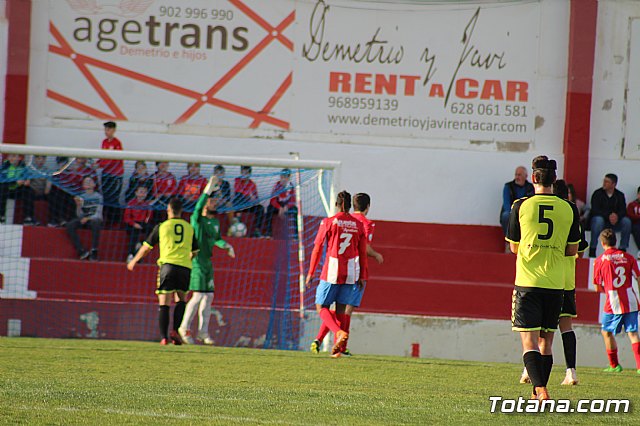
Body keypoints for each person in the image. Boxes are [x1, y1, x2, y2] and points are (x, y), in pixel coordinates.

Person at [506, 156, 581, 401]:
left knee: (528, 342)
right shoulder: (569, 208)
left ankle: (541, 391)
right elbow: (573, 250)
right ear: (554, 179)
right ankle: (537, 392)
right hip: (555, 284)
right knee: (545, 342)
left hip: (528, 282)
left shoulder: (520, 205)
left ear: (534, 178)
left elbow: (514, 248)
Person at [519, 180, 588, 386]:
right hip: (566, 279)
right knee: (564, 328)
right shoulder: (570, 216)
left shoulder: (535, 209)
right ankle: (571, 371)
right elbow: (579, 250)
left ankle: (531, 374)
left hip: (544, 278)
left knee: (535, 330)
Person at [310, 192, 383, 356]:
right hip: (353, 271)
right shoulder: (364, 224)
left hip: (334, 268)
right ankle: (339, 346)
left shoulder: (335, 221)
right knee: (344, 310)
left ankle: (328, 340)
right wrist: (374, 259)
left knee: (326, 307)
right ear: (367, 207)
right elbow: (363, 249)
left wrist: (311, 272)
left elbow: (318, 247)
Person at [127, 197, 198, 345]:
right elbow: (195, 251)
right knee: (181, 300)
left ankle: (164, 337)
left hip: (167, 266)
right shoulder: (189, 227)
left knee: (164, 302)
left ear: (168, 211)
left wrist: (134, 261)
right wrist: (187, 258)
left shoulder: (162, 226)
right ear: (181, 211)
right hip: (184, 267)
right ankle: (175, 331)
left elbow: (147, 247)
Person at [178, 176, 235, 345]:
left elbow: (216, 238)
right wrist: (207, 190)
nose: (214, 202)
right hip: (196, 261)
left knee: (208, 297)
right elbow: (196, 209)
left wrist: (226, 246)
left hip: (207, 262)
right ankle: (183, 327)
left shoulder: (215, 222)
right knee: (198, 296)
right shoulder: (198, 220)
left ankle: (203, 332)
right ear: (205, 204)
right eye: (211, 200)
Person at [593, 229, 640, 374]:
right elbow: (638, 278)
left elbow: (597, 286)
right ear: (616, 242)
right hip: (631, 299)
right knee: (633, 333)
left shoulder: (600, 260)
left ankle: (614, 365)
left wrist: (606, 290)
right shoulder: (628, 257)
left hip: (613, 301)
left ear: (602, 243)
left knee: (606, 332)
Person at [589, 173, 631, 258]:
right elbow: (594, 209)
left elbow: (623, 210)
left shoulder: (619, 195)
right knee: (598, 220)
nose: (604, 183)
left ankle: (622, 249)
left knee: (626, 222)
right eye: (604, 181)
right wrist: (608, 215)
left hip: (615, 223)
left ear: (613, 184)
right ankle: (592, 249)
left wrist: (617, 216)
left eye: (607, 182)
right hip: (601, 223)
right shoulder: (597, 193)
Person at [66, 177, 103, 261]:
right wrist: (78, 206)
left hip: (94, 219)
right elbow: (79, 215)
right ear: (83, 185)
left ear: (94, 184)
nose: (88, 183)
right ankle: (81, 250)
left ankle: (94, 250)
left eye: (90, 181)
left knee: (96, 222)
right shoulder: (81, 197)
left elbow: (98, 213)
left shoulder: (98, 197)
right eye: (86, 182)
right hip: (84, 219)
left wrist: (88, 218)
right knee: (70, 225)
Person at [96, 121, 124, 226]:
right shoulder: (104, 142)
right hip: (106, 174)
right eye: (105, 129)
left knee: (114, 198)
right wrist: (97, 163)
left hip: (115, 175)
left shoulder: (117, 143)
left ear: (113, 130)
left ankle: (115, 222)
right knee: (106, 197)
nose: (106, 132)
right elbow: (103, 157)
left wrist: (100, 165)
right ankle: (106, 220)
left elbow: (114, 159)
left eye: (108, 129)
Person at [0, 154, 35, 224]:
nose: (12, 158)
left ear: (19, 158)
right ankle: (1, 216)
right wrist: (15, 181)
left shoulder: (23, 166)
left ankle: (28, 217)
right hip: (7, 189)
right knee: (2, 188)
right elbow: (2, 179)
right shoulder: (4, 166)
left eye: (14, 156)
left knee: (29, 190)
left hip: (18, 190)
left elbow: (28, 175)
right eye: (10, 156)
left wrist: (27, 180)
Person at [500, 166, 534, 237]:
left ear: (526, 176)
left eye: (519, 175)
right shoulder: (508, 186)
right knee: (506, 215)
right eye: (516, 174)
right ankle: (508, 240)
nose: (517, 177)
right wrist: (514, 215)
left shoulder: (531, 188)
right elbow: (506, 204)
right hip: (511, 212)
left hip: (525, 213)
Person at [264, 168, 298, 239]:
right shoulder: (277, 186)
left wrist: (286, 207)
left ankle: (296, 235)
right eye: (282, 177)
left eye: (285, 177)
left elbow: (293, 200)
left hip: (286, 207)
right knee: (269, 208)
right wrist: (279, 208)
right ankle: (268, 233)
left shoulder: (291, 186)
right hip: (277, 206)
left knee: (295, 210)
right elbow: (272, 200)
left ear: (289, 178)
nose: (283, 179)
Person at [233, 165, 264, 237]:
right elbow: (238, 191)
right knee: (238, 197)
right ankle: (238, 221)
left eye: (247, 172)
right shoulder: (237, 180)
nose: (245, 174)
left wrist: (254, 199)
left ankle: (257, 230)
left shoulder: (252, 184)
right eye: (243, 172)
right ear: (241, 172)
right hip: (240, 204)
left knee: (260, 208)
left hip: (249, 205)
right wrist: (248, 196)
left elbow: (256, 198)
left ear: (250, 174)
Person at [124, 185, 153, 262]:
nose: (142, 194)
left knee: (152, 230)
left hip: (142, 223)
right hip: (132, 223)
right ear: (136, 193)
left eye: (144, 192)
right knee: (134, 234)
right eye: (141, 192)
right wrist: (134, 224)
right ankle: (131, 254)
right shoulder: (131, 203)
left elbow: (148, 217)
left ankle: (141, 243)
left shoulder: (147, 204)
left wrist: (150, 209)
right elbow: (127, 218)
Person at [29, 155, 52, 225]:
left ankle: (52, 221)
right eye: (39, 158)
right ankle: (30, 218)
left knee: (53, 196)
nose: (41, 160)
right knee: (28, 193)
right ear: (35, 159)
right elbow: (28, 182)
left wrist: (47, 190)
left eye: (43, 159)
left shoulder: (47, 170)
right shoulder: (31, 169)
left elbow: (49, 183)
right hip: (33, 191)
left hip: (43, 192)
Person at [626, 186, 640, 258]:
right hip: (636, 224)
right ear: (638, 194)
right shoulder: (632, 205)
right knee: (636, 228)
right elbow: (630, 215)